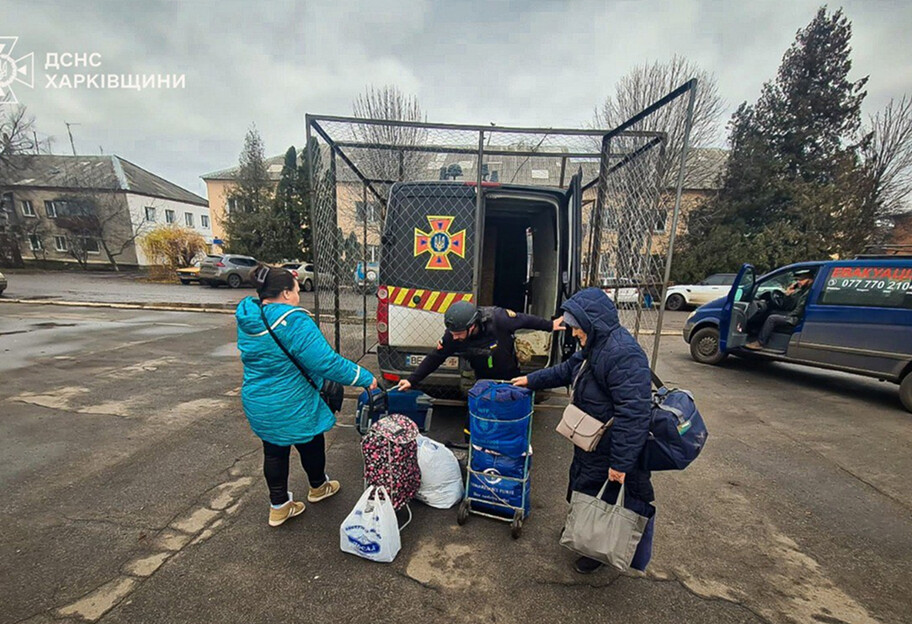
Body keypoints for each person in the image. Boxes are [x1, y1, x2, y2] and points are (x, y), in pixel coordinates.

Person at [512, 288, 655, 574]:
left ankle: (597, 550)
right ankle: (581, 527)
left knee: (603, 495)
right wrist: (529, 379)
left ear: (591, 322)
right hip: (592, 440)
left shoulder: (622, 354)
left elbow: (634, 413)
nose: (574, 333)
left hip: (610, 445)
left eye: (576, 327)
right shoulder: (596, 345)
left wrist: (620, 463)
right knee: (583, 484)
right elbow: (565, 371)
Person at [236, 265, 377, 527]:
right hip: (291, 401)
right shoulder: (293, 320)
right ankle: (318, 487)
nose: (299, 293)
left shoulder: (250, 317)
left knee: (274, 450)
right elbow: (326, 363)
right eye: (297, 289)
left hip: (258, 400)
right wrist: (365, 378)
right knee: (310, 440)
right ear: (286, 293)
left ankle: (279, 506)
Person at [397, 301, 564, 439]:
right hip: (481, 379)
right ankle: (473, 446)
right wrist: (412, 380)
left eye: (459, 334)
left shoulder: (499, 319)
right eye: (452, 333)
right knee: (476, 419)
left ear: (472, 325)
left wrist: (549, 325)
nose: (455, 338)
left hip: (508, 377)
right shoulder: (453, 335)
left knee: (506, 416)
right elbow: (435, 358)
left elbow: (524, 320)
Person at [745, 270, 815, 351]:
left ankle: (760, 342)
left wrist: (788, 315)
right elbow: (789, 304)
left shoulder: (808, 292)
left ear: (810, 280)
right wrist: (788, 293)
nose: (798, 282)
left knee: (772, 318)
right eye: (797, 280)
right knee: (772, 312)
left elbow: (799, 309)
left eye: (801, 280)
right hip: (795, 314)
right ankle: (754, 333)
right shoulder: (802, 290)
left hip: (795, 318)